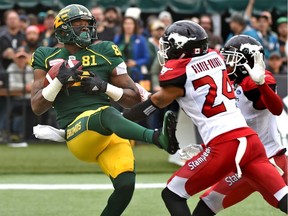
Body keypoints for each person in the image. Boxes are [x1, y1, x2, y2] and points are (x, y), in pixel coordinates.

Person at [122, 20, 288, 215]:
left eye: (169, 45)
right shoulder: (216, 57)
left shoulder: (182, 71)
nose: (166, 50)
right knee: (282, 199)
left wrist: (122, 119)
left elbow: (157, 102)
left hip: (227, 144)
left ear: (180, 48)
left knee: (172, 194)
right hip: (251, 144)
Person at [30, 4, 179, 216]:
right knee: (108, 113)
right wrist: (57, 82)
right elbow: (36, 106)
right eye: (78, 25)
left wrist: (104, 87)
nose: (84, 30)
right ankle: (157, 138)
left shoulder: (106, 50)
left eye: (87, 25)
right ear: (62, 29)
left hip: (110, 132)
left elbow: (133, 99)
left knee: (126, 185)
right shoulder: (46, 55)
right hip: (78, 132)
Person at [190, 35, 288, 215]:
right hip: (243, 164)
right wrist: (205, 148)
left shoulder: (256, 81)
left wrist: (261, 85)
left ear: (247, 61)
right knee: (207, 204)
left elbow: (275, 108)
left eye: (231, 59)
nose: (227, 63)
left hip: (270, 158)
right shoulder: (227, 83)